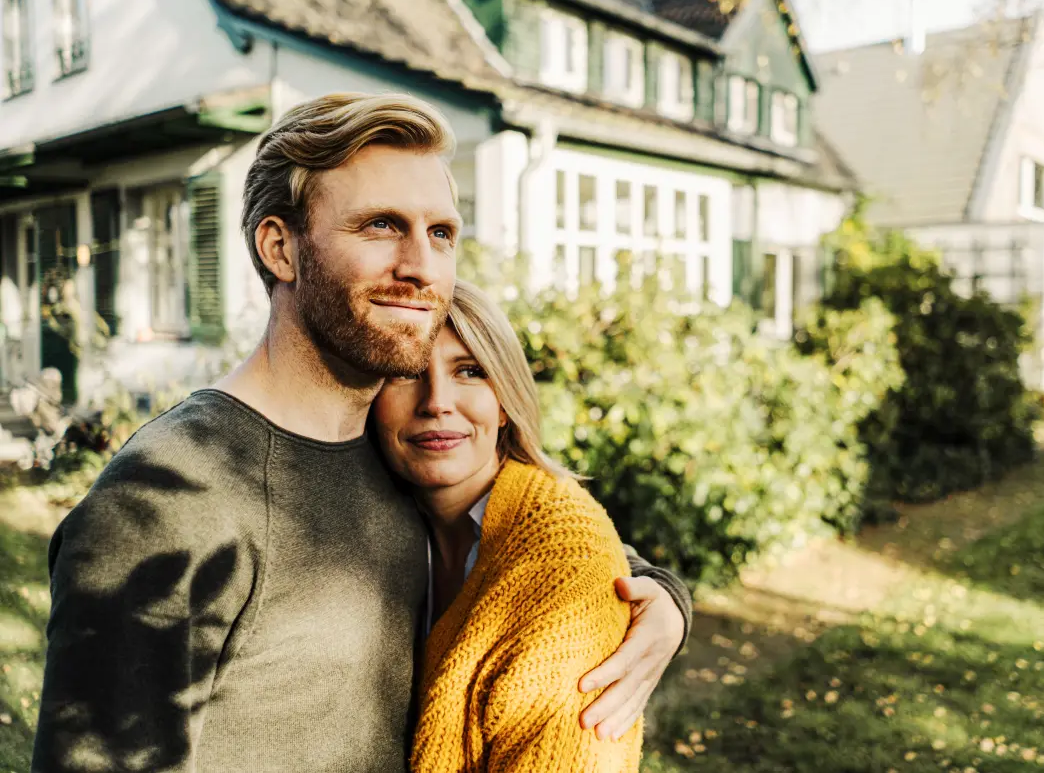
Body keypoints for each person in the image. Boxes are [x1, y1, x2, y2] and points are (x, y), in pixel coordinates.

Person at [31, 93, 691, 773]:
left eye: (440, 233)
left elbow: (530, 550)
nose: (421, 266)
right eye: (381, 226)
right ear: (280, 247)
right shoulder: (167, 501)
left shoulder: (392, 448)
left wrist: (664, 599)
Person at [373, 280, 644, 771]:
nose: (436, 401)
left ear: (503, 403)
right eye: (405, 374)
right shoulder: (376, 519)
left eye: (469, 371)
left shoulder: (564, 556)